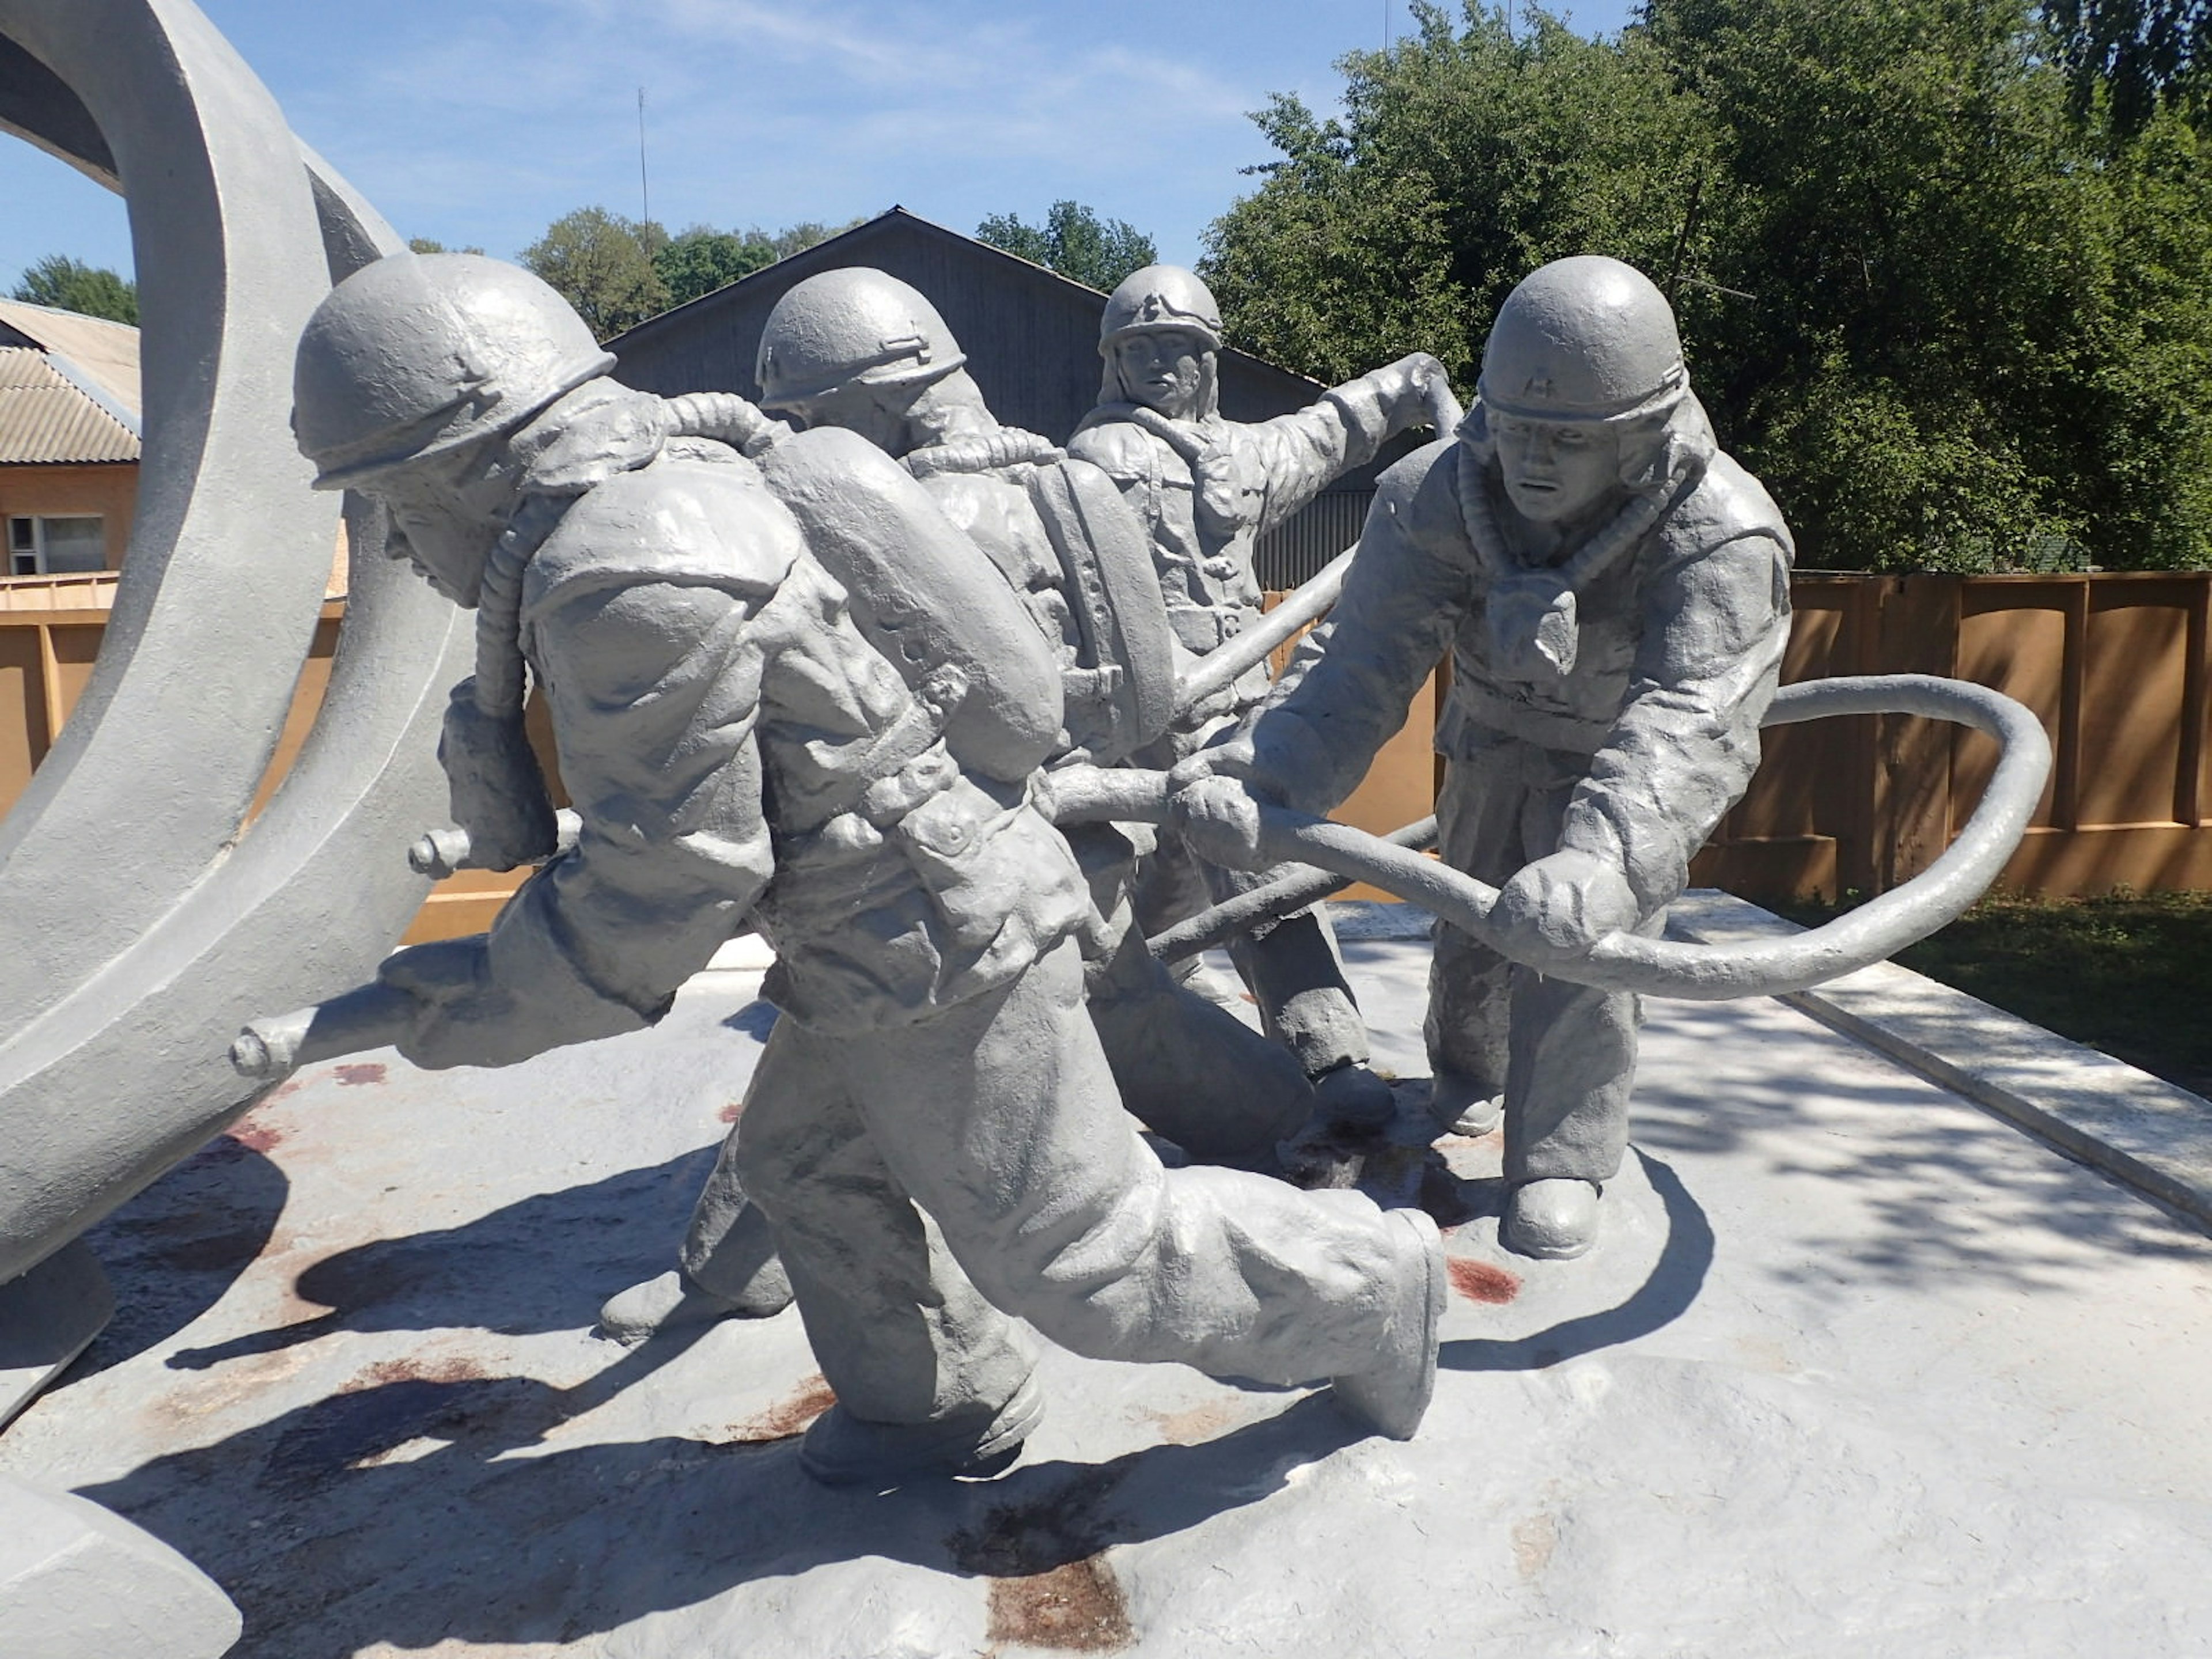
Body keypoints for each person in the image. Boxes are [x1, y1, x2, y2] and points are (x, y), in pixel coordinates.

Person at [290, 252, 1446, 1482]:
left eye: (395, 503)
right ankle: (931, 1402)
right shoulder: (690, 485)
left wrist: (448, 1001)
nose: (399, 547)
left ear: (472, 460)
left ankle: (1374, 1288)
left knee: (1082, 1252)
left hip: (931, 930)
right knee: (806, 1164)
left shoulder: (626, 570)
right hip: (888, 915)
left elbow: (667, 888)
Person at [600, 267, 1338, 1343]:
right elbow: (1141, 686)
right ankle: (1289, 1117)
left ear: (875, 400)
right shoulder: (1066, 487)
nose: (806, 441)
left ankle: (727, 1267)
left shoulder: (873, 522)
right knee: (1117, 1014)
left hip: (955, 861)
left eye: (815, 418)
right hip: (1067, 841)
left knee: (843, 1052)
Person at [1173, 255, 1794, 1260]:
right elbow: (1358, 666)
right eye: (1516, 428)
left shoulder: (1718, 529)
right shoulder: (1436, 497)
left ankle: (1562, 1154)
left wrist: (1604, 860)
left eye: (1569, 439)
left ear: (1640, 433)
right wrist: (1265, 774)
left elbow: (1695, 717)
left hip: (1620, 769)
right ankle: (1469, 1073)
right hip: (1490, 743)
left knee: (1578, 959)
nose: (1536, 460)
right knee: (1469, 941)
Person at [1067, 266, 1455, 1130]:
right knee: (1176, 869)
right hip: (1143, 707)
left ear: (1208, 360)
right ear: (1112, 362)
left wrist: (1407, 387)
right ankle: (1274, 1041)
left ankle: (1319, 1049)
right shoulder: (1096, 465)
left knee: (1240, 865)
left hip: (1236, 707)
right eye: (1140, 350)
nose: (1160, 365)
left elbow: (1321, 434)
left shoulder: (1234, 456)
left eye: (1179, 348)